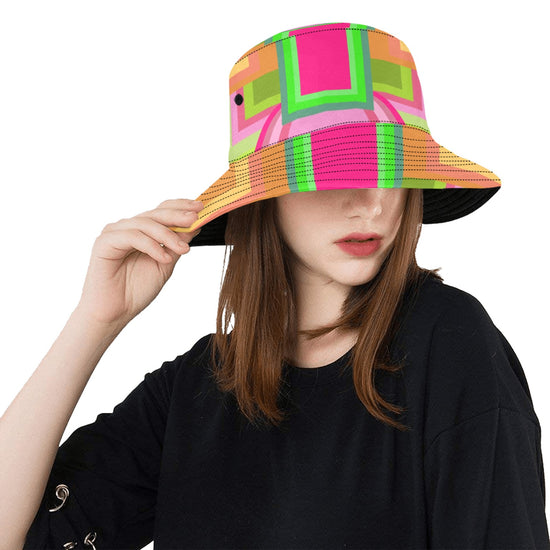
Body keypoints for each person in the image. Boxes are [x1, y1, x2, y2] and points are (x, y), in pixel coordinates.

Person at [1, 21, 548, 549]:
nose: (372, 201)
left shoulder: (450, 344)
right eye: (334, 169)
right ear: (265, 195)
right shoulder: (199, 388)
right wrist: (95, 321)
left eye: (389, 166)